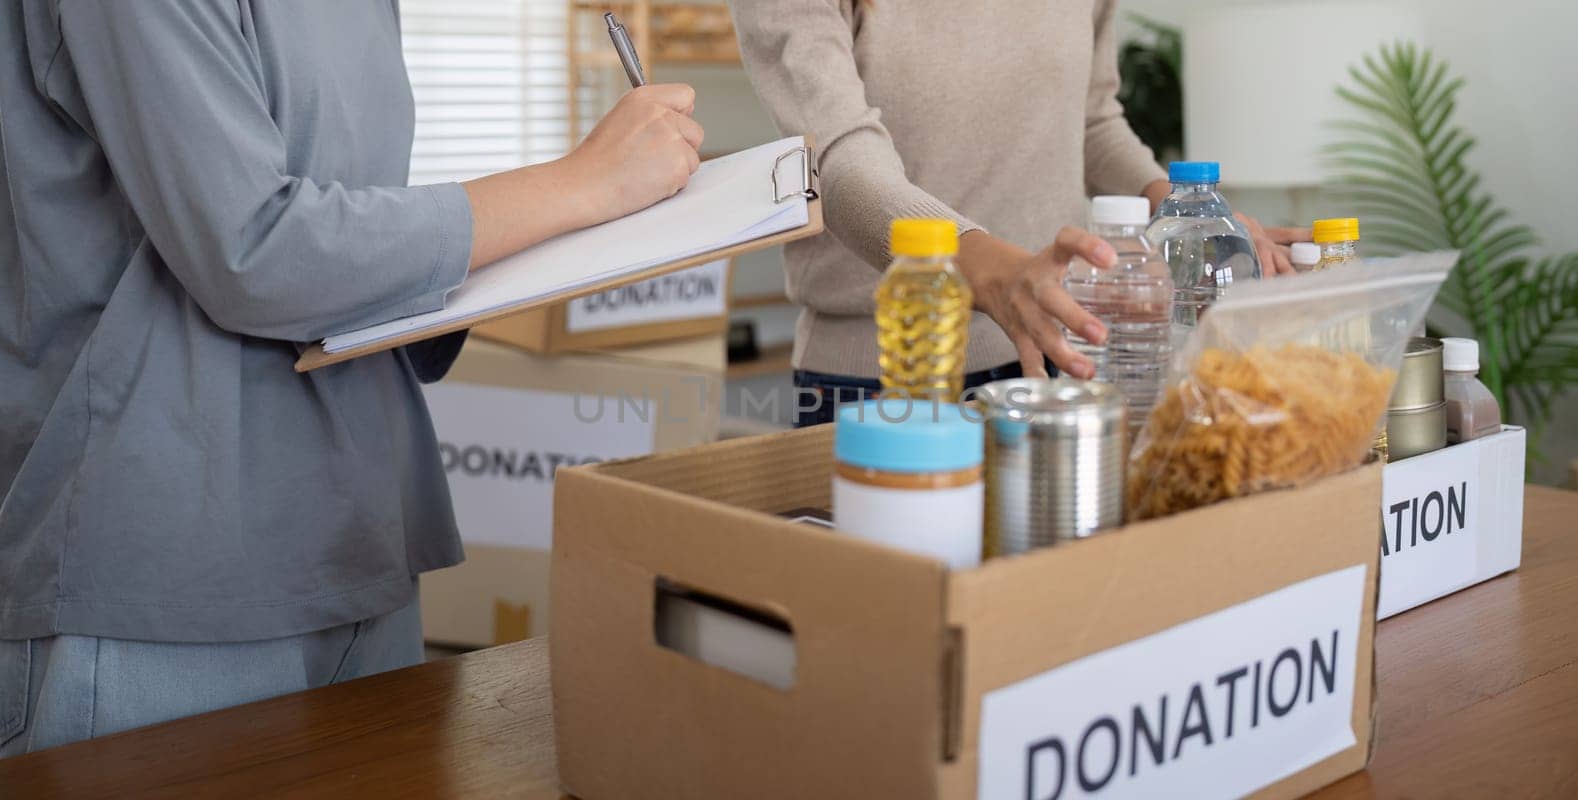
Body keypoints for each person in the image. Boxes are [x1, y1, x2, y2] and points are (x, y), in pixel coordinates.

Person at [0, 0, 701, 755]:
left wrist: (563, 228)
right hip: (169, 568)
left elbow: (346, 235)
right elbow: (254, 251)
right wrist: (579, 185)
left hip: (360, 536)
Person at [728, 0, 1305, 426]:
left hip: (1053, 365)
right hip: (883, 385)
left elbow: (1092, 120)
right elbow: (837, 158)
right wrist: (986, 267)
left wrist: (1194, 215)